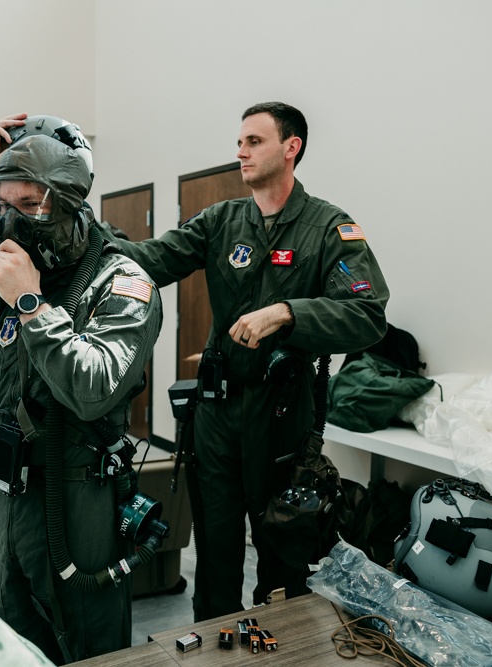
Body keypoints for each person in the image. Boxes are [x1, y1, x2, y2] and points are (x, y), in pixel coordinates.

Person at [104, 102, 390, 621]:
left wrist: (286, 313)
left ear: (291, 147)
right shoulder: (220, 220)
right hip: (215, 415)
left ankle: (281, 650)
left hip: (283, 418)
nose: (241, 151)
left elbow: (367, 315)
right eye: (240, 142)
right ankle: (216, 648)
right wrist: (87, 235)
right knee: (215, 550)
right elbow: (151, 260)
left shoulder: (329, 227)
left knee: (284, 550)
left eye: (254, 141)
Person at [0, 114, 163, 664]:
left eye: (32, 203)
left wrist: (32, 306)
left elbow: (95, 387)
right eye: (3, 204)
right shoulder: (13, 274)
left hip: (76, 502)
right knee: (11, 638)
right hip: (8, 498)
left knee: (85, 642)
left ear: (71, 203)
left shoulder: (119, 282)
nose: (15, 219)